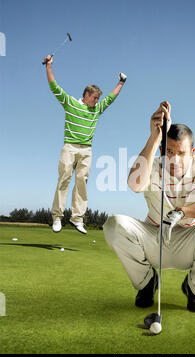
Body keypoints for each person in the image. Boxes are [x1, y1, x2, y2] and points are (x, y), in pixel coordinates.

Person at [103, 101, 195, 313]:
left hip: (191, 240)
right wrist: (155, 137)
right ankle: (147, 282)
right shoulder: (154, 163)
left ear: (192, 152)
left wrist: (183, 212)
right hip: (155, 237)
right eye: (169, 151)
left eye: (181, 153)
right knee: (113, 224)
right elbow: (133, 185)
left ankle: (194, 288)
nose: (174, 158)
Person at [44, 54, 127, 234]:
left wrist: (121, 83)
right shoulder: (70, 103)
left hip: (87, 150)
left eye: (98, 98)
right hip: (69, 147)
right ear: (87, 95)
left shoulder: (96, 109)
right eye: (95, 98)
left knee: (82, 181)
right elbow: (54, 87)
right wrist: (48, 66)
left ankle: (77, 218)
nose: (97, 101)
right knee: (64, 179)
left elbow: (111, 98)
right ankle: (57, 217)